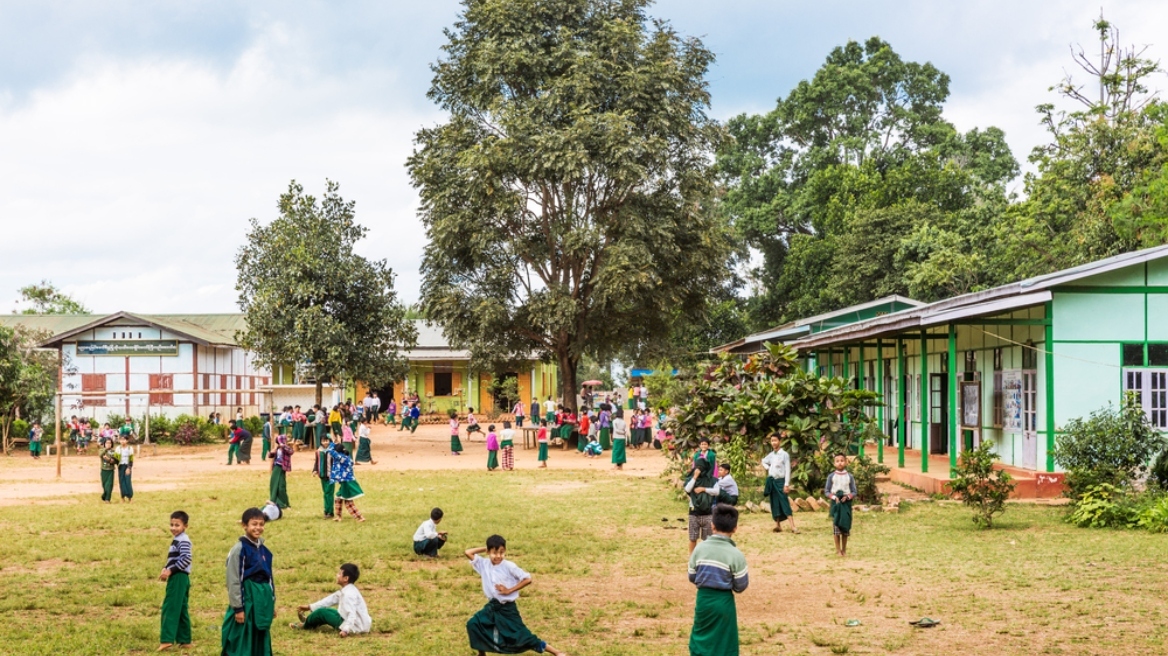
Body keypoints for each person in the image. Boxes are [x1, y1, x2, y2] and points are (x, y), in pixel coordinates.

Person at [464, 535, 567, 656]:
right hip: (492, 607)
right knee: (474, 624)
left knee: (522, 636)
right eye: (494, 552)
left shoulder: (509, 566)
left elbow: (527, 579)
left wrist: (509, 590)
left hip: (507, 608)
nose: (498, 556)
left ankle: (557, 653)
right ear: (488, 552)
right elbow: (468, 552)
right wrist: (486, 548)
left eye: (501, 552)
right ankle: (481, 653)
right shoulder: (484, 564)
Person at [687, 504, 749, 656]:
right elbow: (741, 585)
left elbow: (691, 576)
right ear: (735, 528)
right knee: (724, 641)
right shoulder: (736, 554)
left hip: (704, 600)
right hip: (724, 603)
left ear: (712, 525)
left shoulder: (699, 549)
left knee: (701, 637)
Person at [221, 507, 275, 656]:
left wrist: (271, 602)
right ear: (244, 525)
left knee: (259, 633)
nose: (258, 528)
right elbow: (234, 579)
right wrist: (238, 608)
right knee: (241, 636)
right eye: (254, 524)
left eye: (261, 524)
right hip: (248, 599)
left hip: (262, 600)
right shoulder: (239, 550)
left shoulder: (265, 551)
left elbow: (270, 578)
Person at [291, 563, 371, 636]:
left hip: (355, 627)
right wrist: (309, 607)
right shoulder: (349, 590)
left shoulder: (348, 595)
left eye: (339, 573)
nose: (337, 575)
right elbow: (329, 600)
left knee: (321, 613)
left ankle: (305, 626)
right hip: (359, 624)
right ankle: (309, 621)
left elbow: (351, 614)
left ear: (345, 578)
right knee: (327, 610)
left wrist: (345, 630)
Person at [159, 510, 193, 651]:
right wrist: (165, 568)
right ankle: (185, 640)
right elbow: (175, 558)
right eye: (172, 524)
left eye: (177, 525)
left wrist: (171, 570)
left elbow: (186, 558)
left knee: (171, 607)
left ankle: (166, 640)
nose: (173, 528)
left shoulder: (183, 540)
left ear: (185, 526)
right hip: (181, 578)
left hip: (178, 578)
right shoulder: (179, 539)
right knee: (181, 608)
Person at [761, 433, 798, 534]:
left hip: (781, 481)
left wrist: (786, 484)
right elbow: (763, 461)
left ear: (780, 441)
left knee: (784, 502)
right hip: (772, 481)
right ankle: (777, 525)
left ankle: (793, 526)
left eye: (775, 440)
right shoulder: (771, 455)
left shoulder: (784, 454)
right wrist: (768, 468)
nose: (773, 442)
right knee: (774, 502)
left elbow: (787, 470)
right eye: (772, 441)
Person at [824, 453, 857, 557]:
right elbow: (827, 491)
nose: (840, 463)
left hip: (846, 504)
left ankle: (844, 549)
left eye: (842, 460)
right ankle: (838, 550)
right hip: (836, 504)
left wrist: (847, 497)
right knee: (836, 527)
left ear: (846, 462)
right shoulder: (831, 476)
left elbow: (854, 491)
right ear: (834, 463)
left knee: (845, 528)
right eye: (837, 461)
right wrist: (834, 497)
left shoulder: (849, 477)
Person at [684, 458, 720, 554]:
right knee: (693, 538)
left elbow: (717, 491)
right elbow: (687, 489)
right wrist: (694, 477)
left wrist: (704, 489)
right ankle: (692, 557)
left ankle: (706, 556)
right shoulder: (691, 479)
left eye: (701, 468)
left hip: (708, 513)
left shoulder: (712, 480)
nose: (699, 470)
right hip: (694, 512)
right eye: (697, 467)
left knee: (707, 539)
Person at [331, 443, 365, 522]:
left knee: (348, 502)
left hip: (347, 483)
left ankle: (360, 517)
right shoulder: (346, 457)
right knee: (338, 498)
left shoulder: (342, 458)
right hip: (345, 482)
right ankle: (339, 516)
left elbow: (333, 453)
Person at [313, 435, 336, 519]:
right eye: (323, 441)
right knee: (325, 493)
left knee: (329, 493)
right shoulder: (318, 451)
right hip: (322, 475)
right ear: (321, 441)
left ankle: (330, 512)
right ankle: (326, 511)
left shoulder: (333, 451)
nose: (325, 442)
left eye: (327, 440)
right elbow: (317, 462)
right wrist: (315, 470)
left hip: (331, 476)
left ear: (329, 441)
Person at [268, 435, 292, 510]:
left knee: (281, 486)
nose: (279, 442)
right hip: (276, 467)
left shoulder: (286, 448)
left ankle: (284, 503)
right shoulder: (277, 448)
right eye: (278, 441)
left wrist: (283, 446)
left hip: (282, 468)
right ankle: (274, 501)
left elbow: (291, 452)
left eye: (280, 441)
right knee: (274, 484)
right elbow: (270, 456)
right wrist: (272, 452)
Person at [116, 435, 135, 502]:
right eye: (121, 440)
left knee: (128, 481)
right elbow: (116, 458)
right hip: (121, 466)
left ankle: (130, 497)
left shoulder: (130, 448)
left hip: (127, 466)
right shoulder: (118, 448)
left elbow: (131, 459)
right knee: (121, 481)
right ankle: (122, 497)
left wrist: (129, 468)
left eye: (124, 440)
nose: (122, 441)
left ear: (127, 441)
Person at [99, 437, 118, 503]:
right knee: (104, 485)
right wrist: (105, 449)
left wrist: (108, 459)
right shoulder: (102, 450)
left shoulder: (113, 452)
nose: (108, 444)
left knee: (109, 485)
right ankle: (104, 495)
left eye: (110, 443)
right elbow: (100, 455)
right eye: (107, 443)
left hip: (110, 470)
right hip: (103, 470)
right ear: (104, 444)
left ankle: (107, 499)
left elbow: (115, 461)